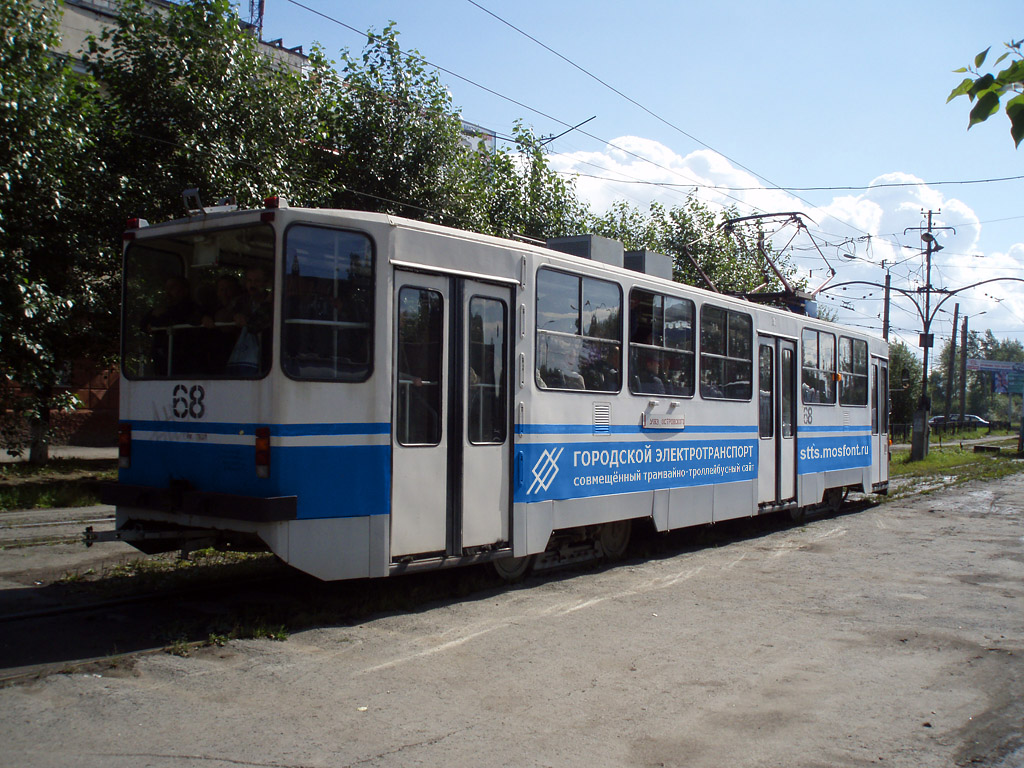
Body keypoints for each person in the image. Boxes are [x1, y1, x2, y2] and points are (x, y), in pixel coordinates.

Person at [141, 275, 202, 375]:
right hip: (162, 362)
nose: (168, 292)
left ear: (185, 290)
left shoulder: (192, 309)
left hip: (183, 361)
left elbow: (168, 320)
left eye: (172, 288)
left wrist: (156, 320)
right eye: (166, 288)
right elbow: (143, 324)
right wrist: (153, 314)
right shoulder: (162, 309)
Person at [226, 265, 274, 376]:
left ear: (266, 283)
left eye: (257, 281)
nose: (252, 285)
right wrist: (235, 315)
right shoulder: (240, 301)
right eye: (249, 281)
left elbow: (257, 325)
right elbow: (226, 316)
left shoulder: (273, 302)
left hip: (266, 358)